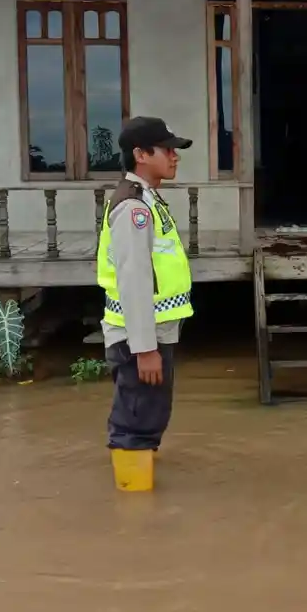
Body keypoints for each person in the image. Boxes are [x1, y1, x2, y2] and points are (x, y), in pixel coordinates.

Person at [97, 116, 195, 491]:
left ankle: (140, 486)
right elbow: (134, 279)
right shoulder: (133, 207)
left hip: (154, 329)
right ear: (140, 154)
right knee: (135, 420)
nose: (175, 157)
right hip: (140, 334)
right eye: (167, 150)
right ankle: (134, 508)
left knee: (149, 412)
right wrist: (144, 348)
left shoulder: (148, 199)